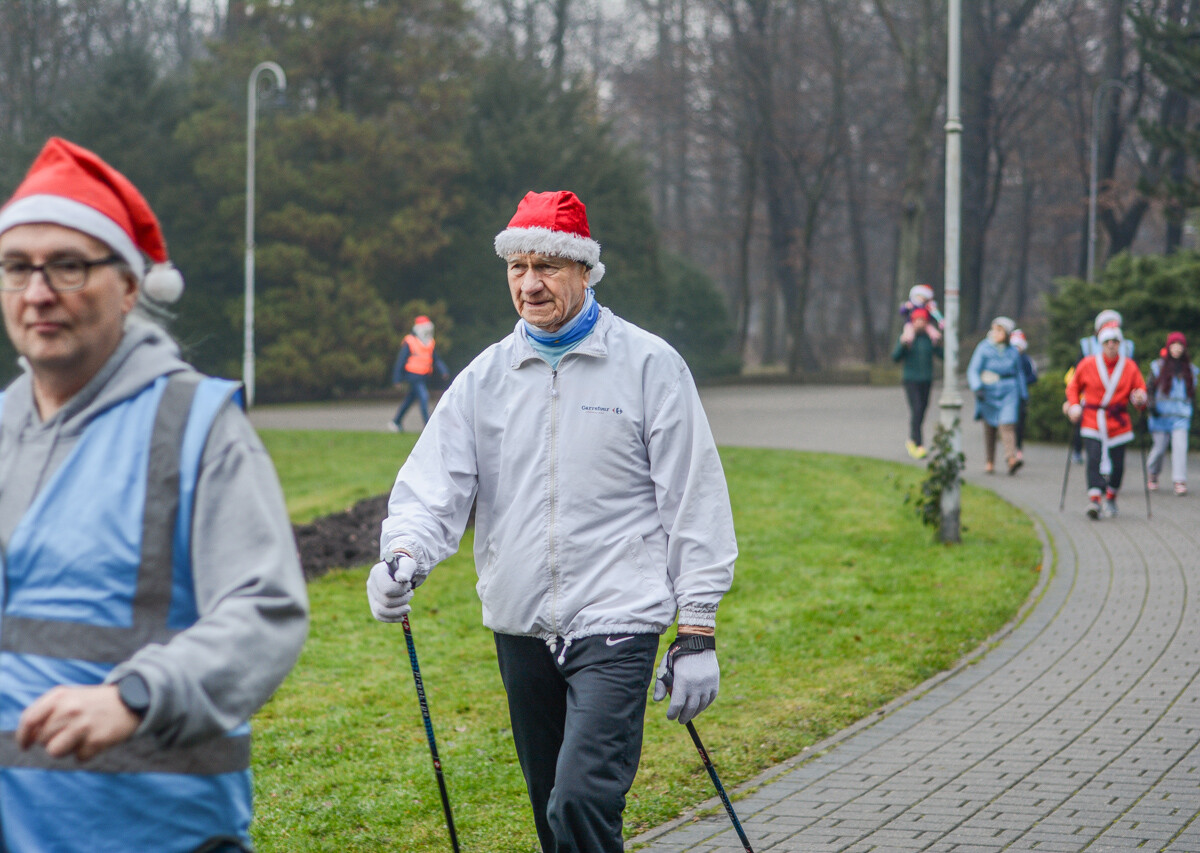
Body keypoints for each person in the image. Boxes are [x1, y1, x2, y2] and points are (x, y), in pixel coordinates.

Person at [366, 190, 737, 853]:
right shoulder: (487, 378)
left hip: (618, 618)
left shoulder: (648, 365)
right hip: (522, 623)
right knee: (550, 814)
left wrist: (698, 627)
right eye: (518, 267)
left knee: (581, 798)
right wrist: (403, 553)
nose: (530, 283)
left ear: (584, 271)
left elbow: (694, 495)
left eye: (548, 266)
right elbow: (434, 485)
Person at [0, 137, 309, 851]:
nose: (38, 291)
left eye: (68, 265)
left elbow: (267, 611)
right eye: (17, 268)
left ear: (131, 286)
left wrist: (135, 697)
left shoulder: (195, 426)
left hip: (155, 832)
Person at [1065, 319, 1148, 519]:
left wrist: (1139, 398)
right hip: (1093, 419)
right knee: (1093, 459)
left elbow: (1140, 390)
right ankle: (1094, 500)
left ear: (1120, 344)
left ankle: (1111, 495)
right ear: (1101, 344)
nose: (1111, 345)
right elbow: (1073, 386)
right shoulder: (1087, 364)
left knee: (1118, 464)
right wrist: (1074, 405)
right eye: (1107, 341)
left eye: (1115, 341)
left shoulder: (1129, 366)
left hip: (1118, 421)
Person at [1069, 309, 1135, 464]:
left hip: (1116, 398)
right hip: (1092, 394)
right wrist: (1073, 401)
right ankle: (1079, 450)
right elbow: (1077, 374)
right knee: (1085, 426)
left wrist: (1136, 396)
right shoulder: (1087, 345)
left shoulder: (1127, 347)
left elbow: (1132, 373)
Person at [967, 316, 1028, 474]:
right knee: (990, 426)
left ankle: (1011, 458)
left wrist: (1023, 394)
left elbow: (1018, 373)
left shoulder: (1012, 351)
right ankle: (990, 460)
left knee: (1007, 424)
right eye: (995, 329)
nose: (996, 333)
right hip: (989, 389)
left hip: (1009, 390)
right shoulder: (984, 348)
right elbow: (973, 369)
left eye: (1000, 330)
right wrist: (977, 387)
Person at [1147, 331, 1197, 496]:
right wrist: (1151, 406)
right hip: (1160, 416)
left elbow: (1192, 395)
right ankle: (1153, 473)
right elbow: (1150, 390)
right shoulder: (1158, 367)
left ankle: (1179, 480)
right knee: (1159, 449)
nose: (1177, 349)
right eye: (1174, 345)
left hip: (1181, 417)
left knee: (1180, 448)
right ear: (1169, 347)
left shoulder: (1190, 370)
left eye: (1180, 345)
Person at [891, 306, 943, 459]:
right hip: (911, 379)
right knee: (917, 409)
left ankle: (912, 439)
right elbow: (895, 357)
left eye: (922, 320)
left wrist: (939, 343)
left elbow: (942, 355)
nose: (919, 323)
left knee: (923, 410)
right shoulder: (907, 337)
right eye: (917, 320)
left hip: (926, 379)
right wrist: (903, 345)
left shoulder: (930, 338)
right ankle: (918, 443)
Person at [388, 314, 450, 431]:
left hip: (423, 376)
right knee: (424, 396)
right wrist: (397, 379)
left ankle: (396, 422)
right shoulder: (410, 341)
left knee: (410, 399)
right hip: (413, 376)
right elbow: (400, 362)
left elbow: (436, 359)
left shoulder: (430, 342)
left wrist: (443, 370)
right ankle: (428, 427)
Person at [1010, 328, 1038, 463]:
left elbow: (1033, 377)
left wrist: (1022, 382)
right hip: (1009, 396)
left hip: (1021, 396)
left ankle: (1018, 448)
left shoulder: (1026, 360)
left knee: (1020, 424)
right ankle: (1011, 450)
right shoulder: (1008, 359)